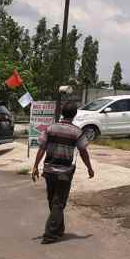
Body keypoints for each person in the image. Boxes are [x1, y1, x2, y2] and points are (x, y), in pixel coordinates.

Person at [31, 102, 94, 244]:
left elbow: (42, 147)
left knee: (53, 200)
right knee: (58, 203)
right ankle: (50, 234)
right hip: (65, 172)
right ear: (74, 114)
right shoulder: (77, 132)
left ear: (62, 112)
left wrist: (35, 166)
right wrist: (89, 168)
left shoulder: (50, 128)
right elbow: (83, 151)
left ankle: (58, 229)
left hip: (49, 170)